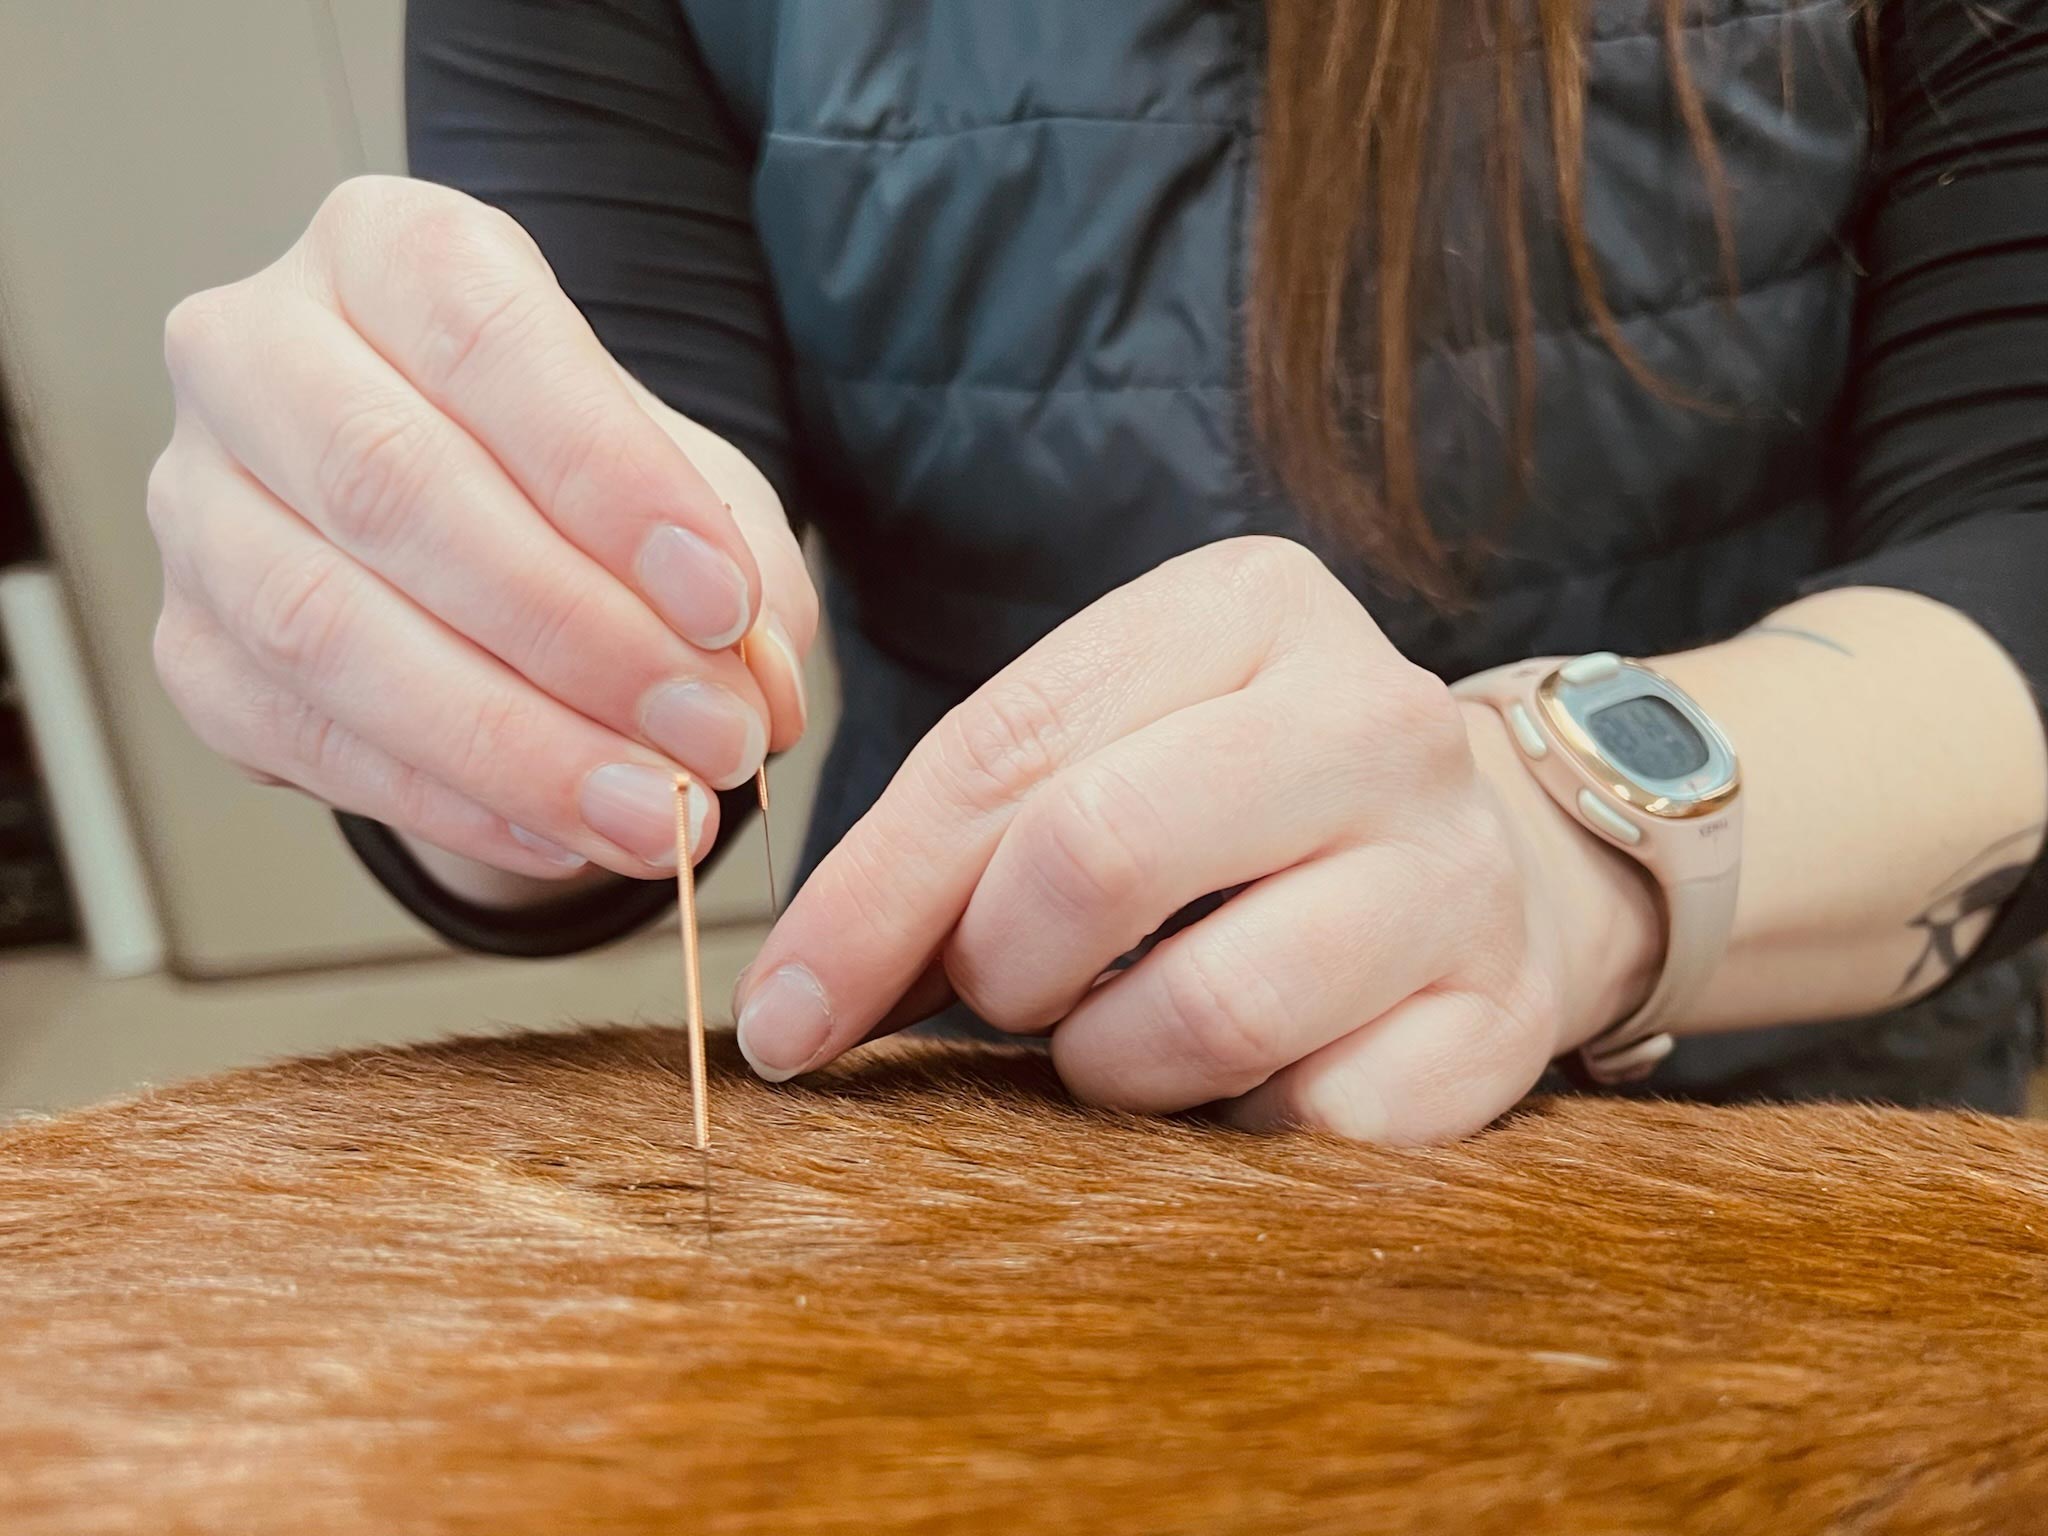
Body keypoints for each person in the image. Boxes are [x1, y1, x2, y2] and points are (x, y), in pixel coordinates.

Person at [146, 0, 2048, 1141]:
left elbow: (2017, 529)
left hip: (1788, 1082)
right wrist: (472, 659)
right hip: (979, 1099)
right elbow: (627, 478)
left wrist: (1557, 845)